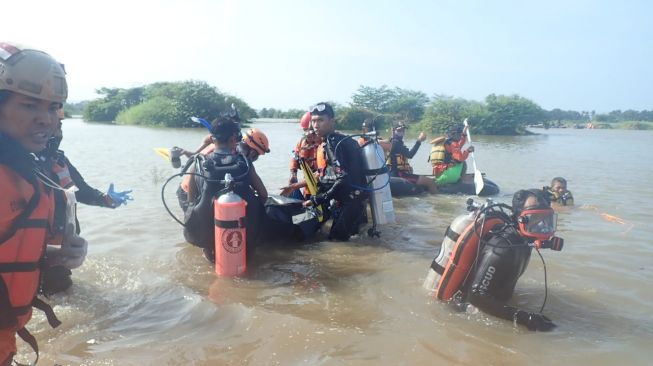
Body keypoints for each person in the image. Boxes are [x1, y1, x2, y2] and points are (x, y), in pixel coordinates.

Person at [0, 42, 70, 365]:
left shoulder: (27, 172)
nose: (46, 119)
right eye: (29, 106)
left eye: (53, 107)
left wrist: (56, 255)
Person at [431, 189, 559, 332]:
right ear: (520, 218)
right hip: (471, 312)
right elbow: (476, 295)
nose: (541, 226)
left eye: (545, 220)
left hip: (498, 304)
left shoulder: (523, 241)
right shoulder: (502, 248)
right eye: (534, 219)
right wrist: (524, 318)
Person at [38, 107, 132, 295]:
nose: (57, 131)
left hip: (62, 246)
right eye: (51, 125)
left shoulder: (60, 159)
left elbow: (81, 190)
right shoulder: (17, 165)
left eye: (59, 125)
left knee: (61, 292)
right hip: (32, 245)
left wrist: (105, 200)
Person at [304, 102, 367, 241]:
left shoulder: (332, 142)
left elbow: (343, 177)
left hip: (351, 202)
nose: (316, 125)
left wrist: (318, 198)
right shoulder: (343, 139)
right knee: (354, 241)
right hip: (357, 199)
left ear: (332, 121)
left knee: (335, 243)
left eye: (321, 120)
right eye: (313, 121)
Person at [386, 122, 437, 193]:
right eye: (399, 130)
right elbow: (410, 155)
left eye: (403, 130)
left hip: (397, 173)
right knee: (431, 182)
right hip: (399, 175)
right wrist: (419, 141)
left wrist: (407, 167)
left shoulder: (393, 142)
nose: (402, 132)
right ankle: (436, 201)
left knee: (424, 183)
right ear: (393, 130)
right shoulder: (395, 143)